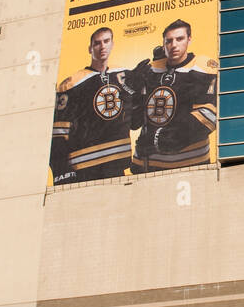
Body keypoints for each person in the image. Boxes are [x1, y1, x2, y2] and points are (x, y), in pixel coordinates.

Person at [129, 19, 218, 172]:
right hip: (146, 165)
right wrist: (132, 91)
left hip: (191, 165)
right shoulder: (150, 70)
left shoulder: (202, 67)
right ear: (163, 44)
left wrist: (159, 140)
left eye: (179, 39)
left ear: (189, 39)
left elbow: (208, 116)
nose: (174, 45)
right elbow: (134, 122)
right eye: (168, 41)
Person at [50, 27, 136, 184]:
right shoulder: (71, 84)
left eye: (106, 41)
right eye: (97, 43)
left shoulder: (124, 75)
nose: (102, 46)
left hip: (116, 165)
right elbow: (58, 133)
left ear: (112, 44)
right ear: (90, 48)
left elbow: (135, 120)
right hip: (84, 169)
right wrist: (61, 171)